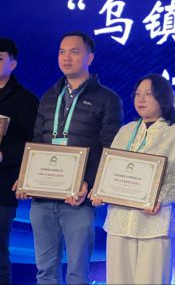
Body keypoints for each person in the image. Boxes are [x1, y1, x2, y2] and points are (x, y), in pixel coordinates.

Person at [14, 32, 123, 285]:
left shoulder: (107, 99)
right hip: (43, 198)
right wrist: (26, 177)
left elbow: (109, 148)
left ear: (90, 57)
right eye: (62, 52)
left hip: (78, 199)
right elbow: (38, 141)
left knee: (77, 273)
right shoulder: (49, 96)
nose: (66, 57)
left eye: (74, 52)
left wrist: (89, 183)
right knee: (45, 271)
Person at [91, 73, 175, 284]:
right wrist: (100, 190)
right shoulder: (125, 131)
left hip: (154, 222)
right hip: (120, 220)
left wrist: (159, 199)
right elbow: (110, 169)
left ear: (163, 98)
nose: (141, 99)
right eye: (137, 94)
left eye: (148, 94)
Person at [0, 38, 38, 284]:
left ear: (12, 64)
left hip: (4, 185)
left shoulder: (25, 99)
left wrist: (6, 155)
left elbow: (35, 143)